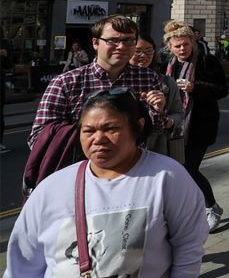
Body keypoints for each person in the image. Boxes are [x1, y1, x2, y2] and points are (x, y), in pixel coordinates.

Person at [6, 88, 207, 276]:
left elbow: (188, 246)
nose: (98, 139)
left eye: (111, 128)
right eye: (88, 131)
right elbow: (22, 262)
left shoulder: (168, 177)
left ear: (138, 126)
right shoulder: (51, 188)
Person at [28, 15, 166, 170]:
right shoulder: (65, 82)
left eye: (128, 40)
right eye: (113, 40)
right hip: (80, 171)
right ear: (95, 43)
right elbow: (39, 138)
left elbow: (155, 130)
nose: (121, 46)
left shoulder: (149, 78)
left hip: (133, 170)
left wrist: (157, 110)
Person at [162, 21, 228, 232]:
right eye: (178, 46)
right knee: (176, 170)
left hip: (200, 125)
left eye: (186, 44)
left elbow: (222, 89)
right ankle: (188, 209)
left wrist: (195, 87)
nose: (183, 49)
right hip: (174, 125)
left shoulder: (207, 62)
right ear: (170, 47)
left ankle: (211, 207)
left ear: (193, 42)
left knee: (189, 168)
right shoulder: (167, 64)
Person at [129, 35, 185, 162]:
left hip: (157, 148)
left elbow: (178, 113)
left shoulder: (166, 82)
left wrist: (170, 122)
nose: (143, 55)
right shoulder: (117, 81)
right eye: (138, 51)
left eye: (149, 51)